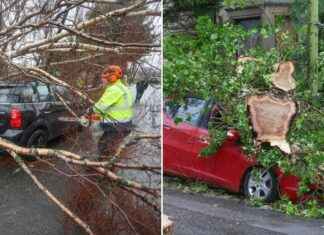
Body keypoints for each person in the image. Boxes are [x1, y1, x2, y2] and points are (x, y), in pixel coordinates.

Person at [84, 65, 134, 158]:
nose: (102, 80)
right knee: (108, 146)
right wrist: (97, 117)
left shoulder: (114, 89)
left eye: (104, 78)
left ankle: (104, 168)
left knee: (104, 148)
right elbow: (114, 108)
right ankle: (107, 164)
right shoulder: (123, 87)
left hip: (116, 126)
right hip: (124, 124)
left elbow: (99, 107)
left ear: (111, 77)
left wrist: (89, 112)